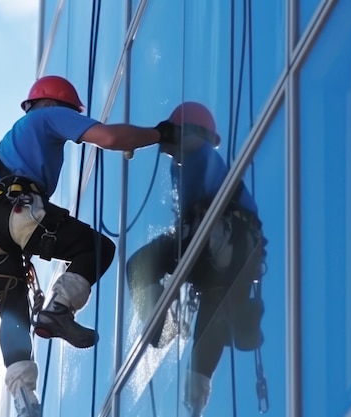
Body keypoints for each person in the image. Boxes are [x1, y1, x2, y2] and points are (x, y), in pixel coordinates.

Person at [0, 75, 184, 417]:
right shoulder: (46, 117)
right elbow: (108, 137)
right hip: (13, 213)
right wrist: (162, 134)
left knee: (14, 312)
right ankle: (59, 309)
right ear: (52, 106)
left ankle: (23, 397)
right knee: (96, 249)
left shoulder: (15, 138)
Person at [126, 102, 267, 417]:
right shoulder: (191, 166)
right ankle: (197, 400)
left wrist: (162, 134)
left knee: (140, 265)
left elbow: (194, 144)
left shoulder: (202, 155)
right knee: (212, 316)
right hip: (223, 250)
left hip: (219, 239)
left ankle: (165, 331)